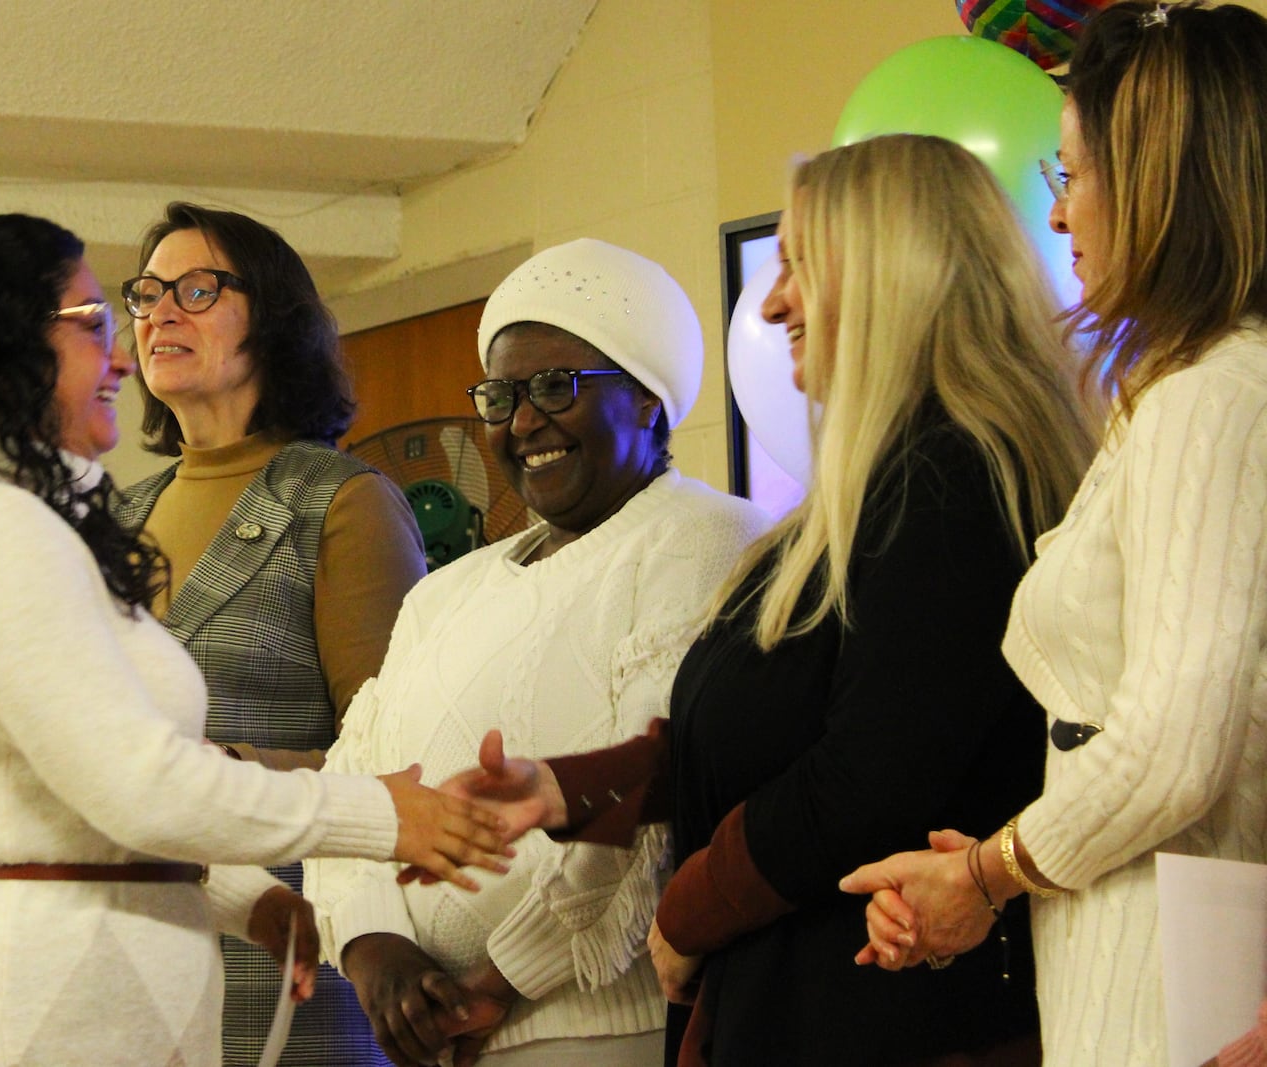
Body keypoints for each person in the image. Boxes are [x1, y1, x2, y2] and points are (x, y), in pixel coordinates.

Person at [0, 213, 512, 1067]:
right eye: (100, 319)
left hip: (74, 983)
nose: (126, 349)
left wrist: (244, 898)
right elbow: (135, 781)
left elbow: (72, 795)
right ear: (4, 345)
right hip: (31, 997)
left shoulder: (30, 518)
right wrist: (384, 811)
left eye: (194, 292)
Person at [432, 135, 1096, 1066]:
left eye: (797, 266)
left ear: (891, 274)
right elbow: (768, 727)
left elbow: (869, 776)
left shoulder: (955, 482)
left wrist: (689, 909)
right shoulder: (877, 491)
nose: (774, 301)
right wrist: (572, 787)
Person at [841, 5, 1267, 1066]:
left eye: (1071, 175)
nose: (1061, 214)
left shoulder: (1209, 396)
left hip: (1169, 956)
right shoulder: (1178, 391)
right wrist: (982, 877)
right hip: (1130, 926)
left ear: (1158, 185)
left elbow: (1174, 746)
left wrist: (988, 869)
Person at [302, 238, 772, 1066]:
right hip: (434, 1042)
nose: (522, 422)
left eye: (557, 387)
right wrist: (376, 952)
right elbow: (354, 786)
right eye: (501, 394)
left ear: (649, 401)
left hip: (603, 1029)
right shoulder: (444, 592)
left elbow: (646, 796)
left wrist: (500, 977)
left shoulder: (706, 536)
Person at [112, 202, 427, 1065]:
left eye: (198, 289)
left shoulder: (339, 501)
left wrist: (233, 775)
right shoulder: (111, 519)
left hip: (284, 976)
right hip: (122, 974)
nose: (160, 312)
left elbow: (396, 763)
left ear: (275, 321)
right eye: (145, 294)